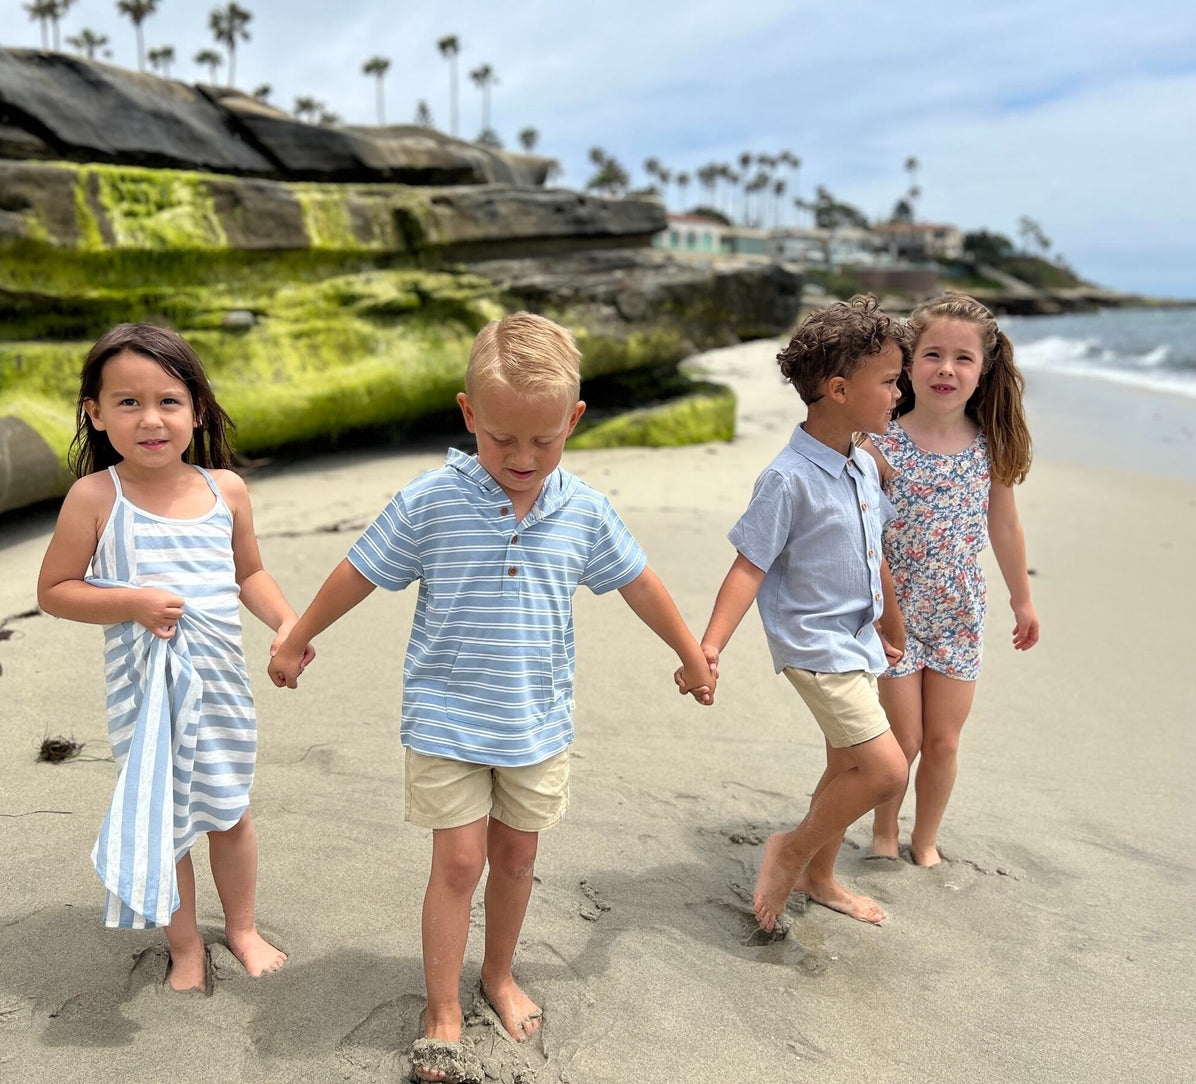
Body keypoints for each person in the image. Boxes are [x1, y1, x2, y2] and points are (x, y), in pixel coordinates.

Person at [267, 312, 714, 1084]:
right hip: (445, 713)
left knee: (516, 857)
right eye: (502, 437)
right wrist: (296, 635)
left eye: (544, 439)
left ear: (574, 420)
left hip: (535, 719)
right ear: (468, 413)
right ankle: (442, 1006)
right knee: (458, 862)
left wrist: (689, 653)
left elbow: (639, 583)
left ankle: (498, 975)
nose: (522, 457)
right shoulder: (431, 501)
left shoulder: (583, 510)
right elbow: (360, 569)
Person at [37, 323, 311, 991]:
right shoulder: (96, 497)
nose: (150, 419)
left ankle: (242, 928)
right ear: (96, 414)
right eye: (127, 403)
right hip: (144, 695)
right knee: (166, 821)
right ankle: (185, 947)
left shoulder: (225, 491)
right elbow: (55, 590)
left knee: (230, 810)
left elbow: (249, 574)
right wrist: (131, 602)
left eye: (168, 401)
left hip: (219, 687)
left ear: (197, 410)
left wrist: (287, 622)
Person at [686, 296, 909, 933]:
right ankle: (790, 851)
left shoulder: (863, 463)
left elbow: (872, 551)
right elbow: (748, 566)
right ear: (839, 389)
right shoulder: (787, 479)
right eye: (890, 382)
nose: (900, 394)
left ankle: (820, 876)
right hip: (815, 647)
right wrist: (709, 646)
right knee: (886, 771)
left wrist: (890, 623)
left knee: (846, 765)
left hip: (856, 640)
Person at [864, 293, 1040, 868]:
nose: (946, 369)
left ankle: (926, 837)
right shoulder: (879, 442)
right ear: (909, 363)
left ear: (983, 370)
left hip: (958, 616)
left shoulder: (989, 446)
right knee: (903, 739)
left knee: (942, 742)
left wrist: (1022, 600)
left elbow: (1004, 525)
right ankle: (884, 827)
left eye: (963, 358)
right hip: (891, 616)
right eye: (933, 354)